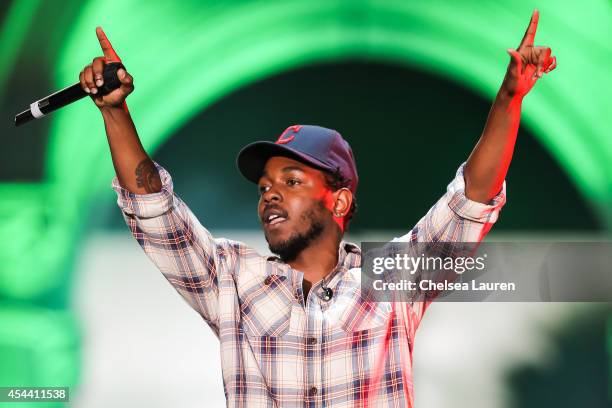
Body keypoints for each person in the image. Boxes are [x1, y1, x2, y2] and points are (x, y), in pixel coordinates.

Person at [80, 10, 555, 407]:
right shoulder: (234, 282)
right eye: (265, 185)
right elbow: (155, 212)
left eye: (291, 181)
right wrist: (115, 112)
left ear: (340, 199)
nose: (270, 193)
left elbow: (470, 199)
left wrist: (510, 98)